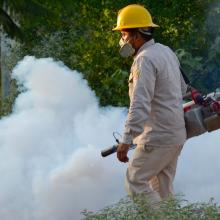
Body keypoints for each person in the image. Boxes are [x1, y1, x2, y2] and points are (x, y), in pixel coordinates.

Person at [112, 4, 187, 207]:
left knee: (135, 183)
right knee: (162, 193)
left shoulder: (144, 60)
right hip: (175, 136)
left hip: (157, 138)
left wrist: (126, 140)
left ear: (136, 35)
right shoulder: (165, 51)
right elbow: (181, 90)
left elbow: (140, 105)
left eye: (124, 33)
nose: (122, 39)